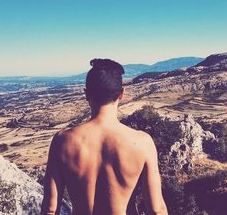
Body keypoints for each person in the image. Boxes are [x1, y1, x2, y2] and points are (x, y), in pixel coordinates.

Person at [41, 59, 168, 215]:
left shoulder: (62, 141)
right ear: (122, 93)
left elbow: (50, 210)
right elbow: (157, 210)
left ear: (86, 94)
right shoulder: (142, 143)